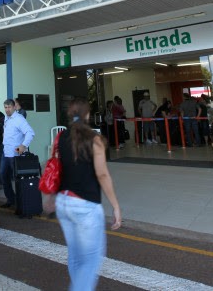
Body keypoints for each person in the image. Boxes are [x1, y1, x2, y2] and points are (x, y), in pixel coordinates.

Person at [54, 98, 121, 290]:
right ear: (88, 115)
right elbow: (102, 174)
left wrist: (51, 197)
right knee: (91, 261)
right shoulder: (95, 139)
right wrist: (115, 205)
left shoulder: (61, 137)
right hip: (85, 205)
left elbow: (58, 169)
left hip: (63, 202)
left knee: (75, 257)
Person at [0, 99, 35, 210]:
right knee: (3, 176)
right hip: (6, 153)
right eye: (5, 107)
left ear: (14, 107)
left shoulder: (19, 119)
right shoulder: (6, 118)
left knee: (18, 180)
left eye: (9, 107)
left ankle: (22, 204)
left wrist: (23, 145)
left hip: (15, 155)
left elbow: (30, 132)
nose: (7, 109)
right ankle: (11, 199)